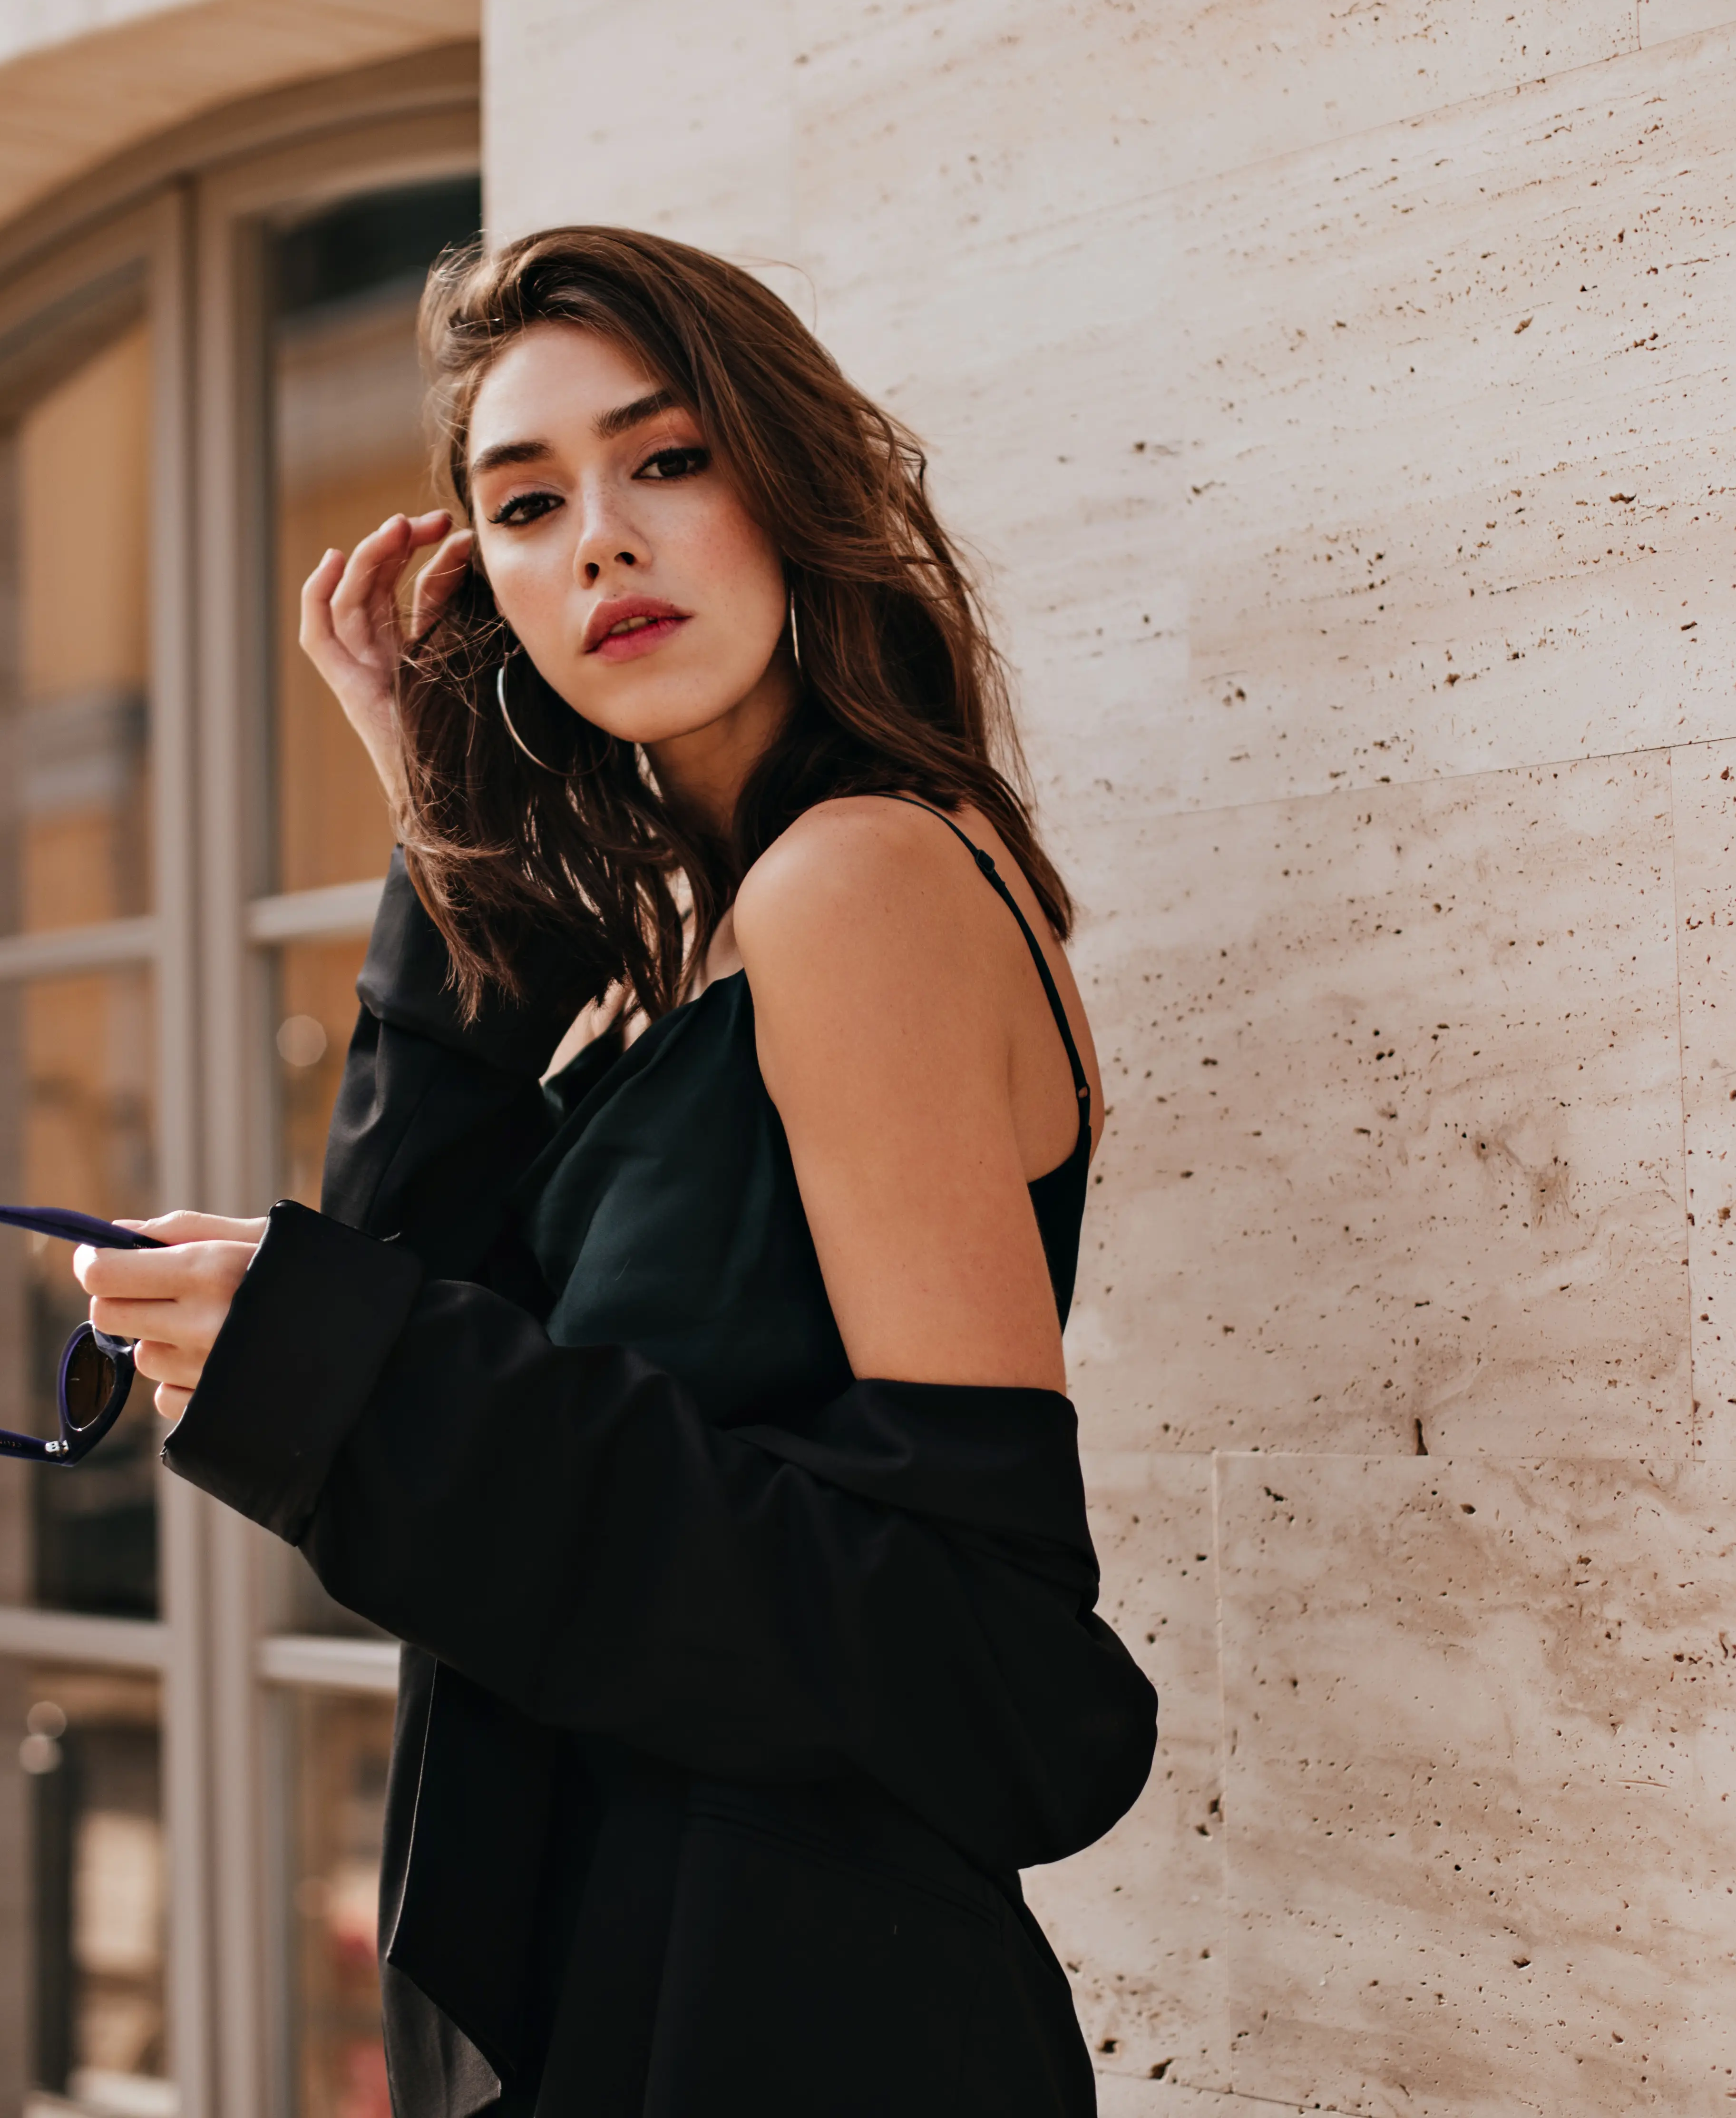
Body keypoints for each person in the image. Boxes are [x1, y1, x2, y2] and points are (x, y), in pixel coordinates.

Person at [72, 226, 1157, 2118]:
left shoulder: (856, 883)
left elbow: (985, 1655)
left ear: (792, 481)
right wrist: (446, 815)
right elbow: (421, 1310)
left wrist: (357, 1364)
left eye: (667, 460)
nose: (600, 543)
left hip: (804, 2018)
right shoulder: (726, 933)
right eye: (526, 505)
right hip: (676, 1964)